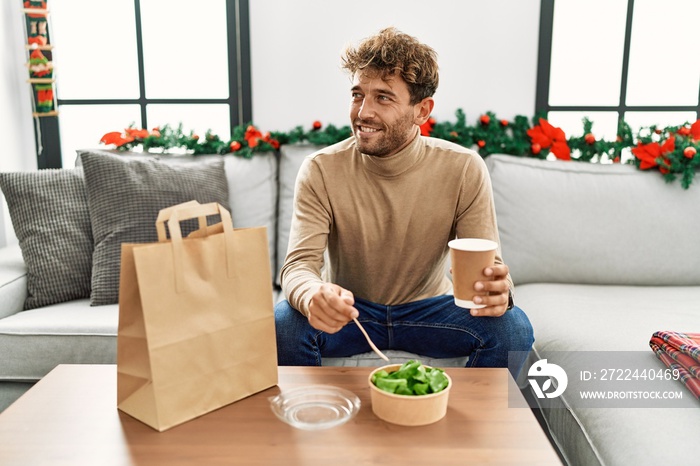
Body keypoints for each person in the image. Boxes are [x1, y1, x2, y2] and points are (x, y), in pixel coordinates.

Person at [275, 27, 534, 376]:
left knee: (513, 328)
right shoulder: (321, 169)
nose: (363, 112)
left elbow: (489, 268)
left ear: (422, 110)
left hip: (431, 310)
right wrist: (313, 296)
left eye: (383, 97)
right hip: (351, 311)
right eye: (357, 95)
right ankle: (312, 423)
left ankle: (473, 426)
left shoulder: (463, 168)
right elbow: (297, 267)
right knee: (284, 323)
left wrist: (499, 291)